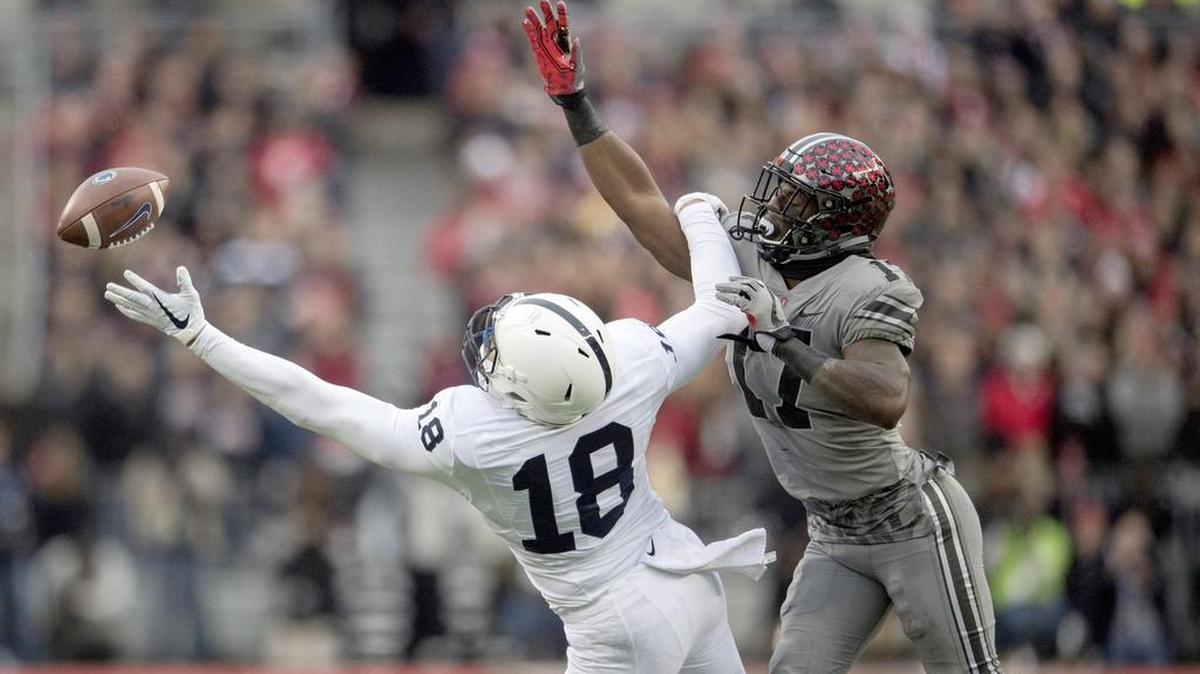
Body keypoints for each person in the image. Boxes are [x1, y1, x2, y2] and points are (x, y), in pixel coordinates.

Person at [522, 2, 1003, 672]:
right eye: (779, 191)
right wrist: (576, 103)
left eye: (796, 200)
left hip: (911, 521)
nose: (774, 205)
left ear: (839, 223)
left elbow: (886, 396)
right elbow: (640, 205)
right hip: (834, 530)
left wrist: (787, 341)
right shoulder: (751, 263)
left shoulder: (873, 287)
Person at [101, 194, 772, 674]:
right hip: (689, 577)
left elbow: (319, 404)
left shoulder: (476, 432)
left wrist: (202, 336)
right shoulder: (628, 359)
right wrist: (700, 214)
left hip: (617, 626)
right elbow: (721, 306)